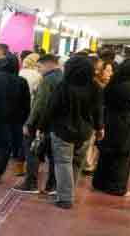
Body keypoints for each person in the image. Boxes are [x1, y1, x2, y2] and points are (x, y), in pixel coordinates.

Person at [43, 54, 104, 209]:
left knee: (63, 162)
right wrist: (99, 128)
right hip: (85, 132)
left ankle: (65, 197)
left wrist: (42, 127)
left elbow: (51, 109)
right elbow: (98, 111)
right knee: (76, 163)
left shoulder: (63, 86)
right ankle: (68, 193)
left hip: (62, 131)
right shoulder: (95, 87)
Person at [92, 59, 130, 196]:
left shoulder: (113, 84)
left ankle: (99, 183)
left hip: (110, 122)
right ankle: (117, 187)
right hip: (127, 126)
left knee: (106, 155)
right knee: (123, 158)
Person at [14, 54, 64, 194]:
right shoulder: (63, 77)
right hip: (57, 124)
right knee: (53, 156)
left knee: (32, 151)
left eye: (39, 66)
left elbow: (39, 104)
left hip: (41, 123)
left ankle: (31, 183)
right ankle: (52, 186)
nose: (38, 70)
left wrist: (29, 123)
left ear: (48, 64)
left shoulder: (47, 80)